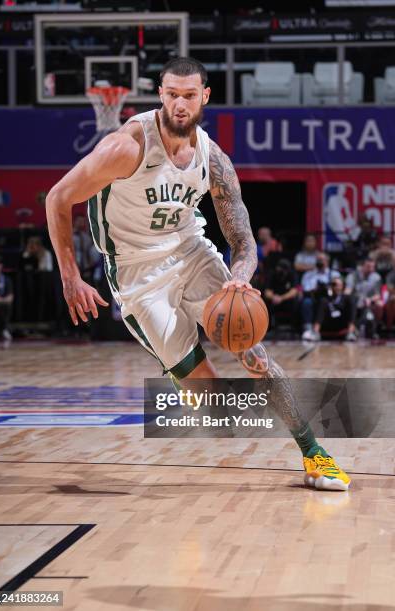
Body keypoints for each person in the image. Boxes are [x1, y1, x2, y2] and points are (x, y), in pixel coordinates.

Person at [46, 56, 350, 491]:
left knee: (256, 354)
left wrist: (240, 276)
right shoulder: (126, 147)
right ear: (161, 95)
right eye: (171, 94)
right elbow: (57, 198)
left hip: (192, 254)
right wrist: (70, 277)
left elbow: (243, 241)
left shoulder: (214, 159)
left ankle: (314, 454)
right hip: (138, 275)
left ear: (204, 96)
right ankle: (184, 374)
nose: (180, 104)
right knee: (215, 410)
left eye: (189, 95)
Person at [301, 252, 341, 339]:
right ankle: (308, 329)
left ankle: (316, 331)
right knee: (306, 302)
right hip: (313, 298)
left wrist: (329, 287)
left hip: (329, 299)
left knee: (324, 301)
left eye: (321, 260)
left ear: (327, 261)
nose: (319, 262)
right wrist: (315, 289)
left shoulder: (335, 274)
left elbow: (339, 289)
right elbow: (305, 289)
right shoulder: (309, 274)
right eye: (318, 260)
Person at [304, 277, 357, 342]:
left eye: (339, 285)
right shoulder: (325, 299)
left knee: (352, 300)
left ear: (343, 286)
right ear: (331, 286)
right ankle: (315, 332)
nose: (337, 287)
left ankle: (350, 333)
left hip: (342, 326)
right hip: (327, 326)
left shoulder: (346, 299)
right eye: (334, 285)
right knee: (322, 302)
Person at [345, 258, 383, 339]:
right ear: (362, 266)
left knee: (380, 304)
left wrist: (370, 299)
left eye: (373, 267)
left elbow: (378, 295)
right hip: (355, 301)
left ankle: (374, 330)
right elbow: (347, 291)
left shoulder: (376, 277)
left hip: (369, 301)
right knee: (353, 302)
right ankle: (352, 330)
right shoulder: (353, 276)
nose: (371, 269)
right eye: (368, 267)